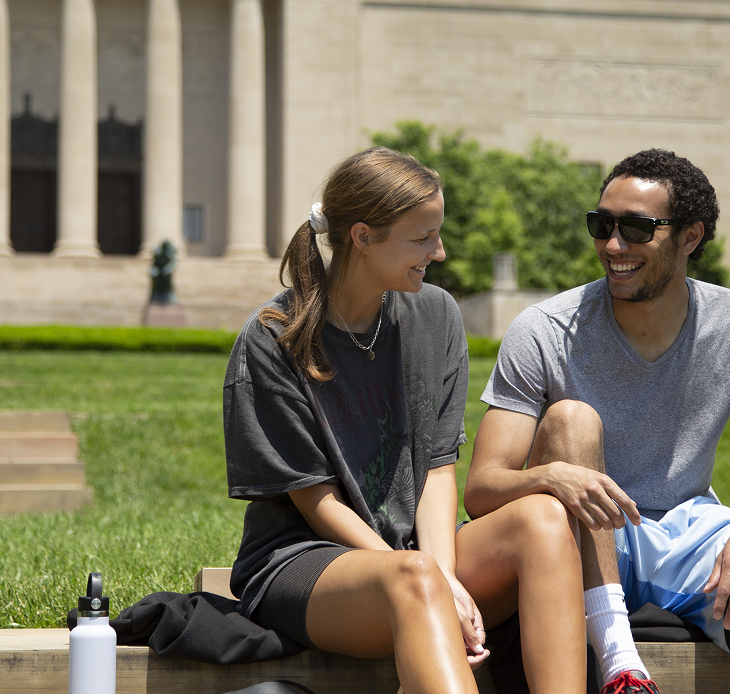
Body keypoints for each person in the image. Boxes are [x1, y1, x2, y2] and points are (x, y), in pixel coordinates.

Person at [464, 149, 730, 694]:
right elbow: (481, 490)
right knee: (572, 421)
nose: (613, 246)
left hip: (690, 538)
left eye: (636, 228)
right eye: (602, 226)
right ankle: (620, 660)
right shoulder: (545, 329)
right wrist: (549, 478)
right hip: (575, 540)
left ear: (690, 237)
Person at [224, 147, 588, 694]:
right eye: (422, 238)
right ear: (364, 236)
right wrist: (434, 581)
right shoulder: (274, 337)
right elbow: (316, 502)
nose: (438, 253)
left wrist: (441, 572)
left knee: (542, 519)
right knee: (413, 579)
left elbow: (438, 469)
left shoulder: (436, 314)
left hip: (418, 556)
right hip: (305, 563)